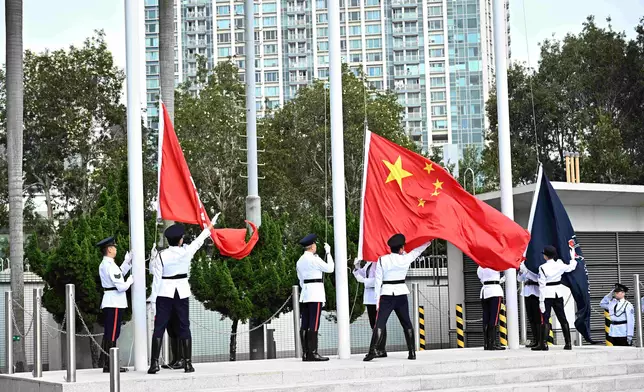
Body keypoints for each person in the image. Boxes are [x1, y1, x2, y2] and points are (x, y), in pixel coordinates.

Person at [148, 216, 218, 374]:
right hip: (181, 293)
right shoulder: (186, 252)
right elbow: (199, 241)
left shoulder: (161, 256)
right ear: (180, 240)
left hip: (164, 293)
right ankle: (188, 364)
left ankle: (154, 364)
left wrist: (153, 301)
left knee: (159, 328)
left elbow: (156, 279)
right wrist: (210, 226)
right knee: (184, 326)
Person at [363, 234, 430, 362]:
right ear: (401, 248)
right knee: (406, 323)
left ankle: (372, 351)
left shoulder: (382, 260)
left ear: (390, 248)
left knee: (380, 323)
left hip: (387, 293)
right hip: (401, 293)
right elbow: (417, 251)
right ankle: (411, 352)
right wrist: (428, 241)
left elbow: (378, 282)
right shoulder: (405, 259)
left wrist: (377, 299)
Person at [97, 236, 133, 373]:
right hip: (115, 302)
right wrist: (130, 281)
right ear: (110, 249)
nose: (116, 249)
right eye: (114, 247)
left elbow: (119, 273)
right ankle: (110, 364)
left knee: (110, 333)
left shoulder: (106, 264)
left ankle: (107, 363)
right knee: (112, 334)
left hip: (110, 300)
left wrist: (127, 262)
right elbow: (121, 287)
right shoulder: (110, 265)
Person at [296, 234, 334, 362]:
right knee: (314, 323)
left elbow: (300, 280)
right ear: (312, 246)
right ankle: (313, 353)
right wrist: (328, 253)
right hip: (315, 293)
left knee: (305, 323)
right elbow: (330, 268)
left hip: (305, 294)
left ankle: (306, 354)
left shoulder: (300, 260)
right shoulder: (315, 259)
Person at [533, 245, 577, 351]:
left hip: (547, 294)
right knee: (562, 318)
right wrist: (573, 256)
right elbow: (572, 266)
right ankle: (568, 343)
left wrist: (541, 301)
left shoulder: (542, 267)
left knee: (545, 319)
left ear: (545, 256)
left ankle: (544, 344)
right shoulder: (560, 265)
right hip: (558, 293)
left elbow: (542, 285)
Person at [148, 244, 183, 370]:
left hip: (175, 296)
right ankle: (175, 359)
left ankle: (180, 359)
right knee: (170, 330)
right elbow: (154, 271)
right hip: (165, 297)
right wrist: (153, 258)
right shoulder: (163, 256)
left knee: (176, 329)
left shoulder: (181, 255)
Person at [353, 258, 386, 358]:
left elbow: (378, 279)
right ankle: (377, 347)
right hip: (369, 296)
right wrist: (357, 267)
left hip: (376, 295)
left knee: (379, 323)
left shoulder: (379, 263)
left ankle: (381, 349)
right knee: (373, 323)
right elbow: (362, 274)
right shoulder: (369, 263)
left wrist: (364, 280)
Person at [478, 266, 506, 350]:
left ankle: (487, 344)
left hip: (484, 292)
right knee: (494, 318)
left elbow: (480, 278)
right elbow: (505, 273)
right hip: (494, 291)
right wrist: (503, 279)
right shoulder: (495, 265)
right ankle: (492, 344)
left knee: (486, 318)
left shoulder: (480, 267)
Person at [518, 261, 541, 348]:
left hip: (536, 291)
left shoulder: (537, 264)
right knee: (531, 317)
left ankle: (540, 340)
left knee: (537, 317)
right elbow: (520, 279)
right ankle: (535, 339)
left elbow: (536, 277)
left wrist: (528, 271)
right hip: (527, 291)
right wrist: (520, 271)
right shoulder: (524, 264)